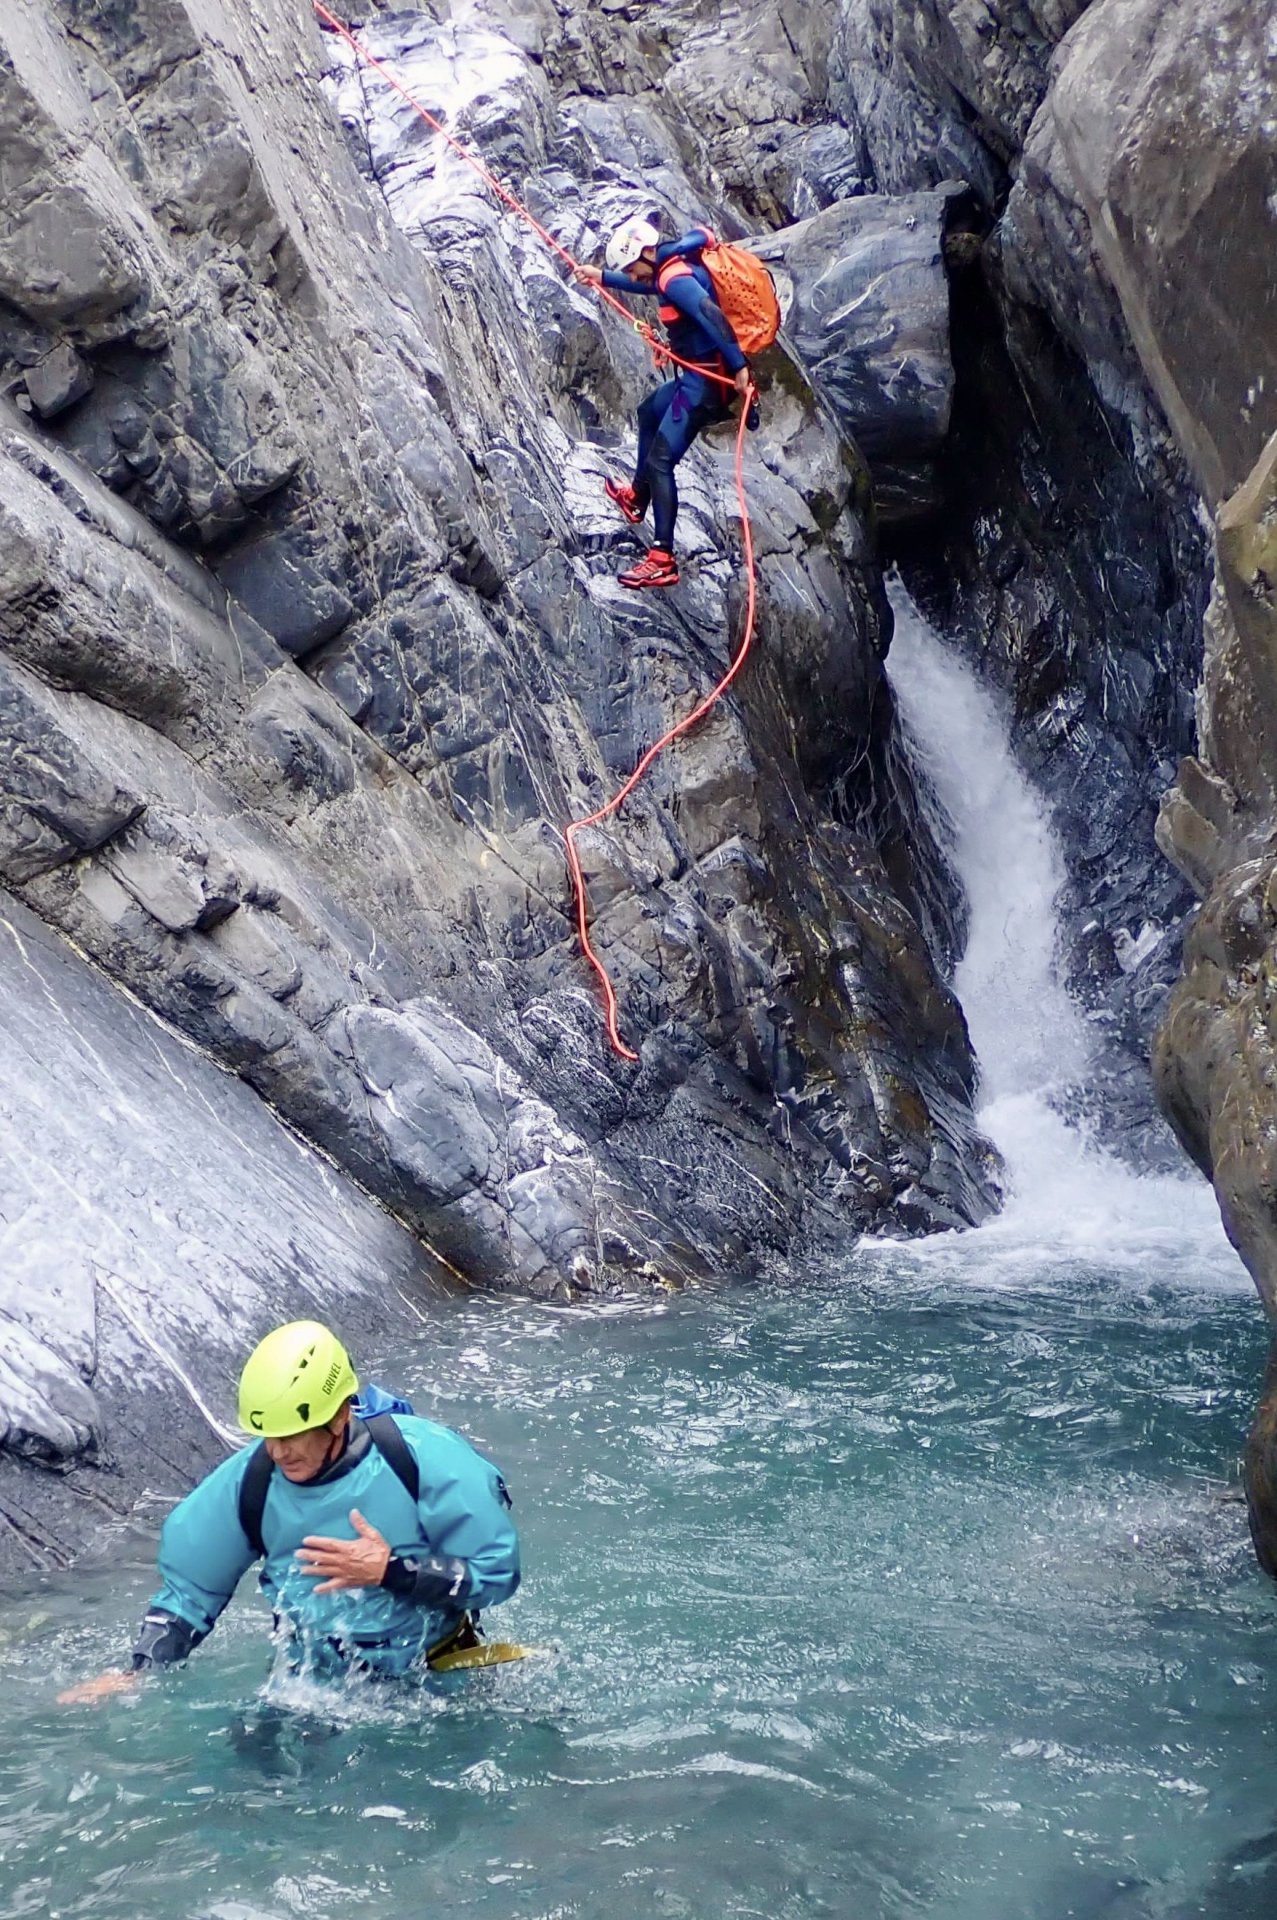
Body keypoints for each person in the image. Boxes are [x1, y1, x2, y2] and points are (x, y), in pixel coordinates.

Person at [58, 1320, 520, 1701]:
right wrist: (137, 1672)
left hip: (435, 1680)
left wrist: (391, 1570)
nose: (277, 1452)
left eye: (292, 1434)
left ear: (340, 1416)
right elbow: (190, 1593)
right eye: (268, 1436)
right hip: (308, 1690)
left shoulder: (427, 1461)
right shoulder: (251, 1481)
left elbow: (496, 1575)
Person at [577, 214, 755, 591]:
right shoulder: (665, 267)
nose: (635, 277)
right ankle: (637, 499)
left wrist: (739, 366)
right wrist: (601, 276)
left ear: (646, 252)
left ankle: (662, 559)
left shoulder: (675, 278)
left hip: (704, 386)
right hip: (694, 376)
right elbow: (646, 285)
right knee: (648, 413)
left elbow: (711, 315)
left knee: (661, 461)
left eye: (633, 268)